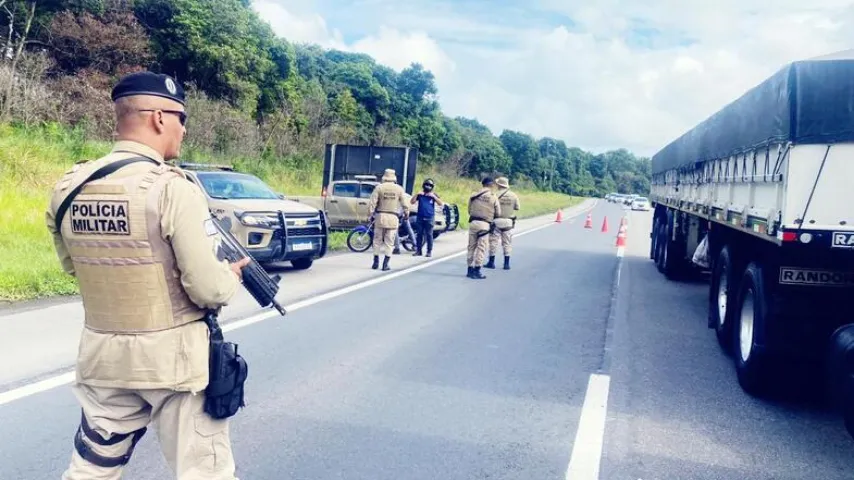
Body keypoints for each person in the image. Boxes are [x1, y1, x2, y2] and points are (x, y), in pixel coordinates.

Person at [45, 71, 249, 480]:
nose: (183, 130)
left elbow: (75, 267)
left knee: (91, 468)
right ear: (159, 117)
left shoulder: (69, 186)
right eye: (181, 118)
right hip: (172, 363)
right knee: (204, 471)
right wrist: (230, 277)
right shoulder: (172, 189)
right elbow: (207, 288)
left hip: (103, 357)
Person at [368, 168, 408, 271]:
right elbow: (405, 204)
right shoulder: (399, 189)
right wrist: (406, 214)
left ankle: (375, 261)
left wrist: (370, 214)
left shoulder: (379, 188)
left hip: (380, 217)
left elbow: (372, 203)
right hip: (393, 218)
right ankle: (385, 264)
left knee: (377, 240)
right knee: (389, 242)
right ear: (394, 178)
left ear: (384, 177)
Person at [466, 177, 501, 279]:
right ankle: (477, 271)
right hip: (484, 225)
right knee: (481, 248)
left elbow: (469, 210)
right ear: (491, 185)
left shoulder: (474, 195)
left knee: (471, 247)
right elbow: (498, 213)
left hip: (473, 223)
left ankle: (469, 270)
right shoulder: (493, 197)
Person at [485, 176, 520, 270]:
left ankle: (491, 262)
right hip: (508, 222)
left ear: (498, 185)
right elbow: (517, 207)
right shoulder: (513, 195)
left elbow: (490, 206)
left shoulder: (494, 195)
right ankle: (506, 264)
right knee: (507, 243)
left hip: (496, 221)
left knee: (493, 242)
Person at [410, 178, 444, 257]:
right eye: (426, 185)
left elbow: (440, 203)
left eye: (429, 185)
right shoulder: (421, 195)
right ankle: (418, 250)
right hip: (420, 216)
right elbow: (412, 202)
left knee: (429, 234)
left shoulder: (433, 195)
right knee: (419, 234)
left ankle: (429, 251)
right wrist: (417, 194)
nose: (428, 187)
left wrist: (434, 197)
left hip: (429, 217)